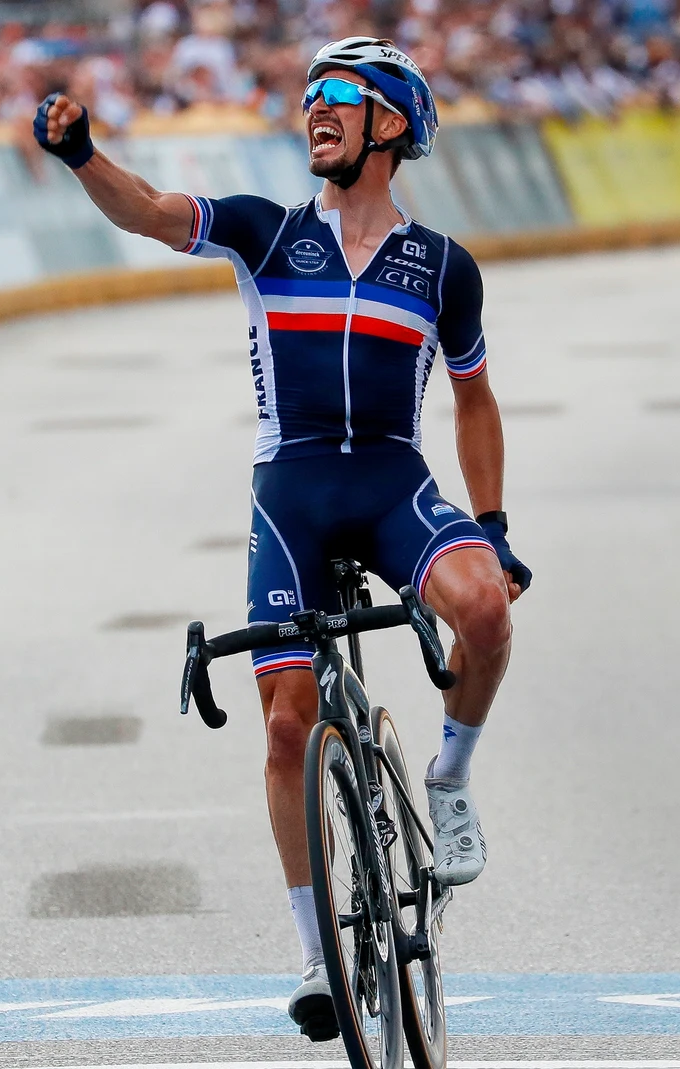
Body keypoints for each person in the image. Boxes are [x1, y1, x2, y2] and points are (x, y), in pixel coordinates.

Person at [31, 35, 530, 1044]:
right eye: (307, 96)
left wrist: (493, 527)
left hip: (394, 482)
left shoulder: (441, 266)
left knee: (483, 606)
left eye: (337, 96)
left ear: (391, 124)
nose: (314, 109)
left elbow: (475, 403)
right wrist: (84, 153)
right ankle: (315, 953)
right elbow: (149, 210)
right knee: (285, 722)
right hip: (291, 491)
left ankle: (448, 775)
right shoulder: (265, 233)